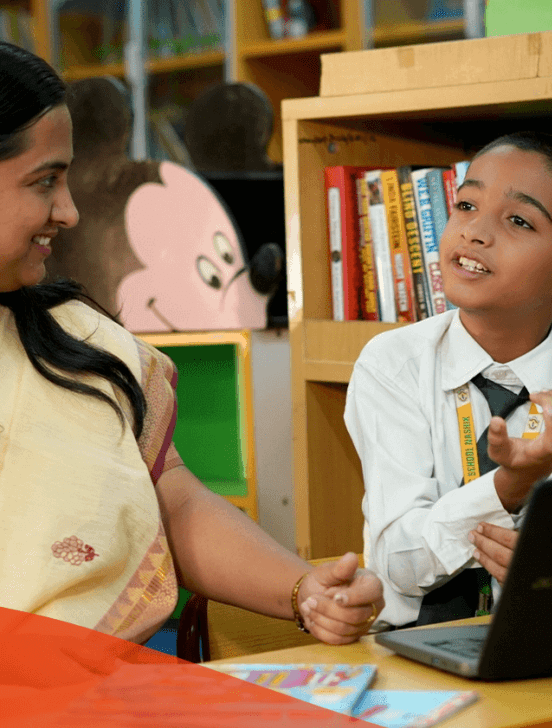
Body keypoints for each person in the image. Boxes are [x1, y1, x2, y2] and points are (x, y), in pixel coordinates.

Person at [0, 42, 383, 648]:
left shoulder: (82, 339)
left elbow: (172, 504)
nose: (69, 212)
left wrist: (303, 589)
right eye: (45, 181)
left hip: (105, 683)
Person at [345, 130, 552, 628]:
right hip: (409, 647)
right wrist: (508, 487)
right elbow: (399, 565)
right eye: (466, 205)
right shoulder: (393, 364)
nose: (475, 232)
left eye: (519, 220)